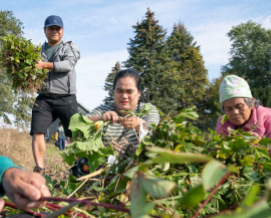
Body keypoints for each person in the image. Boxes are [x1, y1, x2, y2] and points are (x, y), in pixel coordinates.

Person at [31, 15, 80, 174]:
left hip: (66, 97)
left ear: (62, 31)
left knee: (74, 134)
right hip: (44, 98)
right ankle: (40, 170)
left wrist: (44, 65)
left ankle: (80, 169)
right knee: (37, 131)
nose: (54, 31)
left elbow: (68, 64)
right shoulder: (37, 51)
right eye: (51, 28)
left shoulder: (70, 47)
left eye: (57, 28)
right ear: (44, 30)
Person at [87, 69, 160, 150]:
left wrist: (139, 124)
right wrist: (100, 118)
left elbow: (156, 133)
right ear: (113, 92)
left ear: (139, 93)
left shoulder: (147, 110)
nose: (124, 96)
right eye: (119, 91)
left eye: (129, 91)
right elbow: (80, 123)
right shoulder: (103, 110)